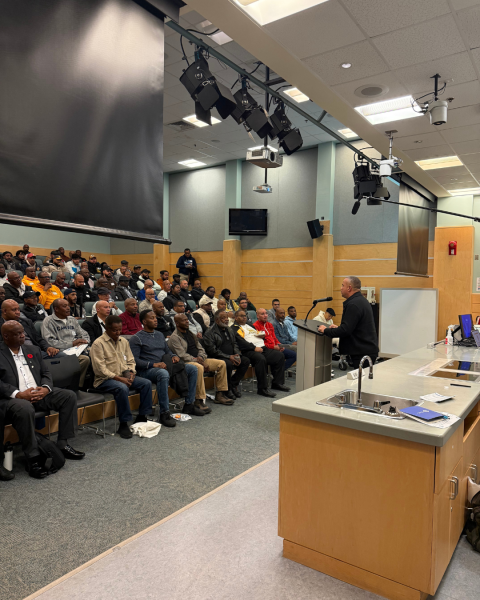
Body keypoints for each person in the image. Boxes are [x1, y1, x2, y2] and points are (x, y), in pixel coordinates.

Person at [0, 321, 84, 480]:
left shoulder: (33, 349)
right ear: (5, 336)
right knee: (24, 408)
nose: (23, 335)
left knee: (68, 396)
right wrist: (18, 394)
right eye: (18, 334)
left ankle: (63, 443)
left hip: (38, 393)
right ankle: (33, 458)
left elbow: (46, 372)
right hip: (12, 399)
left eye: (23, 332)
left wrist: (45, 388)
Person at [130, 310, 206, 425]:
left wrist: (174, 356)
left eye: (155, 317)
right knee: (163, 373)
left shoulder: (159, 334)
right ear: (144, 321)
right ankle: (164, 412)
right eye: (152, 318)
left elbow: (167, 351)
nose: (155, 320)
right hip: (147, 370)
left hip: (165, 365)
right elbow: (134, 361)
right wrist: (153, 364)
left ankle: (189, 404)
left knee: (193, 369)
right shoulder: (137, 338)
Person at [90, 315, 153, 439]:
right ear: (106, 328)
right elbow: (100, 369)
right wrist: (120, 379)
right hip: (105, 380)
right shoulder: (98, 344)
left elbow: (130, 360)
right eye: (115, 330)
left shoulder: (123, 341)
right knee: (121, 388)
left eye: (120, 329)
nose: (118, 332)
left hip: (123, 376)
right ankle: (124, 423)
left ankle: (142, 416)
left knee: (146, 383)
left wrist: (131, 373)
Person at [168, 314, 231, 405]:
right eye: (183, 320)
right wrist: (197, 360)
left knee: (221, 363)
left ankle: (220, 394)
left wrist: (201, 357)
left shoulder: (190, 334)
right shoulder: (174, 337)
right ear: (177, 323)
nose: (187, 322)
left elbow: (200, 348)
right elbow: (181, 355)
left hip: (199, 359)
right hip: (186, 362)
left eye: (187, 320)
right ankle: (199, 399)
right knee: (199, 368)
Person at [318, 277, 378, 369]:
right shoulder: (361, 301)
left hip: (362, 352)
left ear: (349, 288)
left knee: (361, 382)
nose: (341, 288)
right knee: (362, 381)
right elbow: (353, 327)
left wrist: (325, 330)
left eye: (342, 285)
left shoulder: (353, 304)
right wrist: (337, 328)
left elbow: (345, 330)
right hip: (365, 350)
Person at [231, 310, 285, 398]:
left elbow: (257, 334)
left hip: (262, 347)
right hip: (248, 351)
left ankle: (277, 383)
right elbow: (241, 342)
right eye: (241, 316)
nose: (244, 317)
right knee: (260, 359)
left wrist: (262, 335)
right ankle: (262, 389)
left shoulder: (249, 325)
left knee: (279, 356)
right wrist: (254, 348)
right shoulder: (234, 328)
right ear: (236, 318)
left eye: (245, 315)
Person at [41, 299, 90, 386]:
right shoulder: (48, 321)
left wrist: (85, 341)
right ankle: (77, 386)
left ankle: (95, 384)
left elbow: (84, 334)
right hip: (61, 351)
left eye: (68, 305)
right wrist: (72, 343)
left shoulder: (72, 319)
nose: (68, 308)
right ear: (56, 309)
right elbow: (50, 341)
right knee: (84, 359)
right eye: (64, 306)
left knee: (97, 352)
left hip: (78, 348)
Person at [203, 311, 250, 399]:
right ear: (217, 320)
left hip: (231, 355)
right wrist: (229, 357)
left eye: (227, 318)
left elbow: (235, 343)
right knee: (227, 364)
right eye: (223, 318)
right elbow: (212, 351)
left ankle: (232, 384)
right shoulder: (209, 333)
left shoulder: (229, 329)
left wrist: (237, 354)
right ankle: (227, 389)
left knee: (245, 361)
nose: (226, 320)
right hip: (218, 357)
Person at [254, 308, 295, 378]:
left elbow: (274, 338)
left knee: (293, 355)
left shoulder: (269, 325)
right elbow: (260, 343)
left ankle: (278, 372)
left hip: (275, 347)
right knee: (279, 356)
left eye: (266, 313)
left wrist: (279, 345)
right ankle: (277, 373)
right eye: (262, 314)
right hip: (267, 349)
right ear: (257, 316)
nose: (265, 315)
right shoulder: (255, 326)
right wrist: (274, 347)